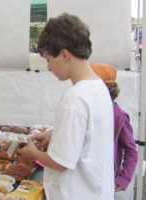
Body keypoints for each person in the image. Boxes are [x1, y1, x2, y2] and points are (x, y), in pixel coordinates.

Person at [19, 13, 114, 200]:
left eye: (48, 60)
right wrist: (54, 134)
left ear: (64, 55)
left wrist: (33, 154)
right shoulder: (97, 86)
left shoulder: (74, 99)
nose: (48, 67)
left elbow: (60, 163)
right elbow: (88, 132)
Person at [91, 63, 138, 200]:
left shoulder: (119, 116)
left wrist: (124, 178)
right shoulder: (88, 111)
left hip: (105, 178)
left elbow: (131, 150)